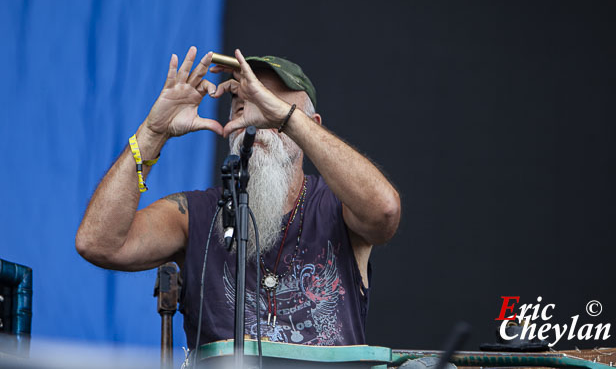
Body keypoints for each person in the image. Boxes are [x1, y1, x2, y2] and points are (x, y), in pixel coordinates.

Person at [76, 47, 401, 349]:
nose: (257, 120)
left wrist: (286, 120)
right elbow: (98, 243)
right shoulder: (194, 215)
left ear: (308, 126)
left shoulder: (339, 208)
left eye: (270, 108)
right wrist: (152, 132)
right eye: (245, 107)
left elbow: (385, 212)